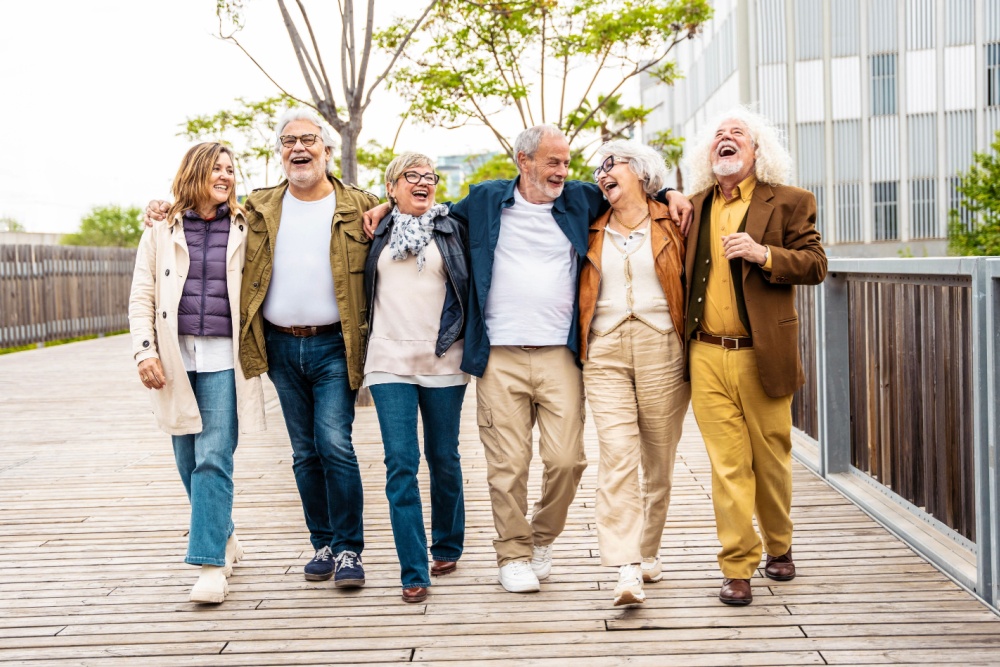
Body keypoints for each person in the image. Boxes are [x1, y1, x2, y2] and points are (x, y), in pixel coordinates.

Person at [366, 125, 694, 593]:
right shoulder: (484, 201)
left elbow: (635, 191)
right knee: (508, 464)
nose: (563, 170)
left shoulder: (582, 200)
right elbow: (430, 212)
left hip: (561, 353)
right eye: (553, 162)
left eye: (565, 162)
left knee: (567, 460)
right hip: (498, 354)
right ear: (524, 161)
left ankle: (541, 537)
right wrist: (385, 205)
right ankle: (513, 553)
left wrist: (672, 191)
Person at [146, 109, 377, 589]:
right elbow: (198, 215)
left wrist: (391, 208)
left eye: (309, 139)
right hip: (278, 347)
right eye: (289, 140)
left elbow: (403, 208)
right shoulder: (257, 208)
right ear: (280, 152)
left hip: (334, 344)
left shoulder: (359, 204)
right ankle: (324, 544)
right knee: (303, 452)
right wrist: (157, 207)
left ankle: (350, 549)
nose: (299, 147)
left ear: (327, 150)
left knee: (334, 443)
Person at [681, 108, 827, 606]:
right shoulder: (694, 206)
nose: (726, 139)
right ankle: (737, 566)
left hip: (763, 352)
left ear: (756, 149)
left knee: (771, 461)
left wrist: (764, 254)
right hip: (705, 353)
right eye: (718, 135)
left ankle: (780, 546)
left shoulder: (790, 201)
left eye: (736, 134)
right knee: (727, 466)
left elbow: (816, 264)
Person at [129, 142, 266, 604]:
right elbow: (142, 295)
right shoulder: (160, 229)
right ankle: (224, 534)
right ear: (195, 173)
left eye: (230, 169)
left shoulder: (247, 226)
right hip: (174, 359)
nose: (225, 176)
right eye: (216, 169)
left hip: (226, 360)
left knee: (213, 458)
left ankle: (210, 564)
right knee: (187, 462)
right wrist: (144, 351)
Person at [578, 140, 690, 606]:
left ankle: (648, 550)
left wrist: (672, 195)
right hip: (604, 349)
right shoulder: (588, 224)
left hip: (662, 344)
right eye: (597, 169)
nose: (602, 173)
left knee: (658, 461)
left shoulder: (677, 220)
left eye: (611, 164)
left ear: (640, 172)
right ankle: (626, 567)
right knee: (618, 455)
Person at [363, 152, 470, 603]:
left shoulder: (452, 225)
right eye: (412, 176)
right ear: (392, 187)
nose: (424, 182)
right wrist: (384, 209)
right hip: (388, 360)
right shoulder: (370, 229)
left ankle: (446, 545)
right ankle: (413, 569)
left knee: (443, 457)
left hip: (444, 358)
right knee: (401, 463)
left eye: (430, 177)